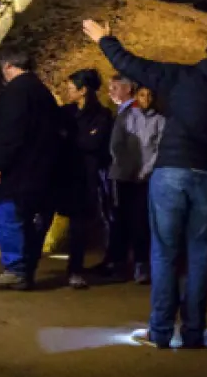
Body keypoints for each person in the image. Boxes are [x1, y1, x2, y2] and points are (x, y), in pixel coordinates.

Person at [82, 18, 207, 349]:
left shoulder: (185, 77)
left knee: (164, 252)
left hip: (172, 171)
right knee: (202, 255)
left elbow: (130, 64)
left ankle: (160, 331)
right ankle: (193, 332)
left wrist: (105, 39)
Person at [0, 45, 60, 290]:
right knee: (26, 220)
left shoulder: (17, 91)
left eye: (3, 69)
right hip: (36, 172)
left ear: (8, 66)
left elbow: (10, 130)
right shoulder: (41, 91)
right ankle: (25, 271)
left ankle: (15, 269)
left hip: (16, 172)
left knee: (5, 216)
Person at [54, 68, 113, 290]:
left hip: (84, 178)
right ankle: (25, 269)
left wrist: (70, 138)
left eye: (71, 89)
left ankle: (75, 270)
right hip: (61, 174)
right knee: (42, 221)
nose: (68, 92)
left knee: (78, 226)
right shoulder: (64, 113)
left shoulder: (102, 115)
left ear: (83, 90)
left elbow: (95, 144)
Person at [108, 85, 164, 283]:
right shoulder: (126, 117)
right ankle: (118, 262)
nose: (146, 98)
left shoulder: (160, 121)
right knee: (120, 219)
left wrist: (145, 171)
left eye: (150, 94)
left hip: (145, 179)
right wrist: (124, 165)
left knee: (141, 220)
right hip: (124, 176)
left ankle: (141, 263)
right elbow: (116, 143)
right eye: (142, 94)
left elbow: (158, 149)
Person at [90, 74, 136, 277]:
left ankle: (118, 261)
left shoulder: (133, 113)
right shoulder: (123, 112)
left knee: (119, 217)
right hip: (117, 172)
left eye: (115, 88)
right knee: (114, 215)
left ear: (129, 88)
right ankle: (115, 258)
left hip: (124, 175)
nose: (110, 92)